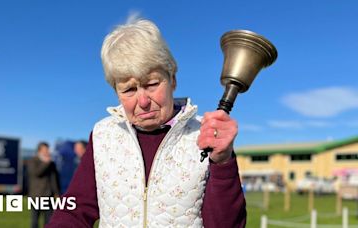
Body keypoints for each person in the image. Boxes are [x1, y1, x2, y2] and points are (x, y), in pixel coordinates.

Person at [47, 18, 246, 227]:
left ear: (173, 80)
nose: (142, 102)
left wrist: (222, 162)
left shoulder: (205, 136)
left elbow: (227, 224)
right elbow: (75, 210)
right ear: (116, 91)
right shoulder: (103, 134)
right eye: (129, 90)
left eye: (151, 84)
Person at [28, 142, 60, 228]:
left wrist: (57, 193)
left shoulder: (51, 163)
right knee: (35, 221)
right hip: (36, 196)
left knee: (49, 221)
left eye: (47, 149)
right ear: (39, 150)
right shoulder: (33, 161)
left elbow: (54, 179)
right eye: (45, 150)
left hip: (48, 196)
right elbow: (37, 173)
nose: (47, 151)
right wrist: (46, 163)